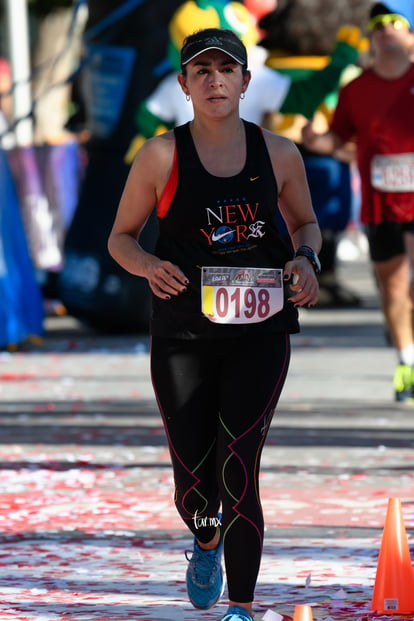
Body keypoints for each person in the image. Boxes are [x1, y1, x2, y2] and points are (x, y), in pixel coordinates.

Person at [108, 28, 321, 621]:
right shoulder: (159, 156)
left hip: (260, 330)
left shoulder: (279, 153)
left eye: (226, 70)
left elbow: (305, 224)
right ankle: (205, 540)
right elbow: (120, 238)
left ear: (246, 82)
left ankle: (242, 608)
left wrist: (307, 261)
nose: (214, 80)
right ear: (183, 85)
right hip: (182, 335)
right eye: (200, 71)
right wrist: (149, 265)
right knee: (195, 484)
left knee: (239, 463)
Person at [302, 0, 414, 402]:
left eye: (394, 22)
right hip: (380, 204)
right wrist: (317, 141)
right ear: (369, 38)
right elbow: (340, 138)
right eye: (378, 24)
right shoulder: (356, 89)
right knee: (393, 286)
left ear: (411, 36)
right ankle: (407, 363)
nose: (385, 29)